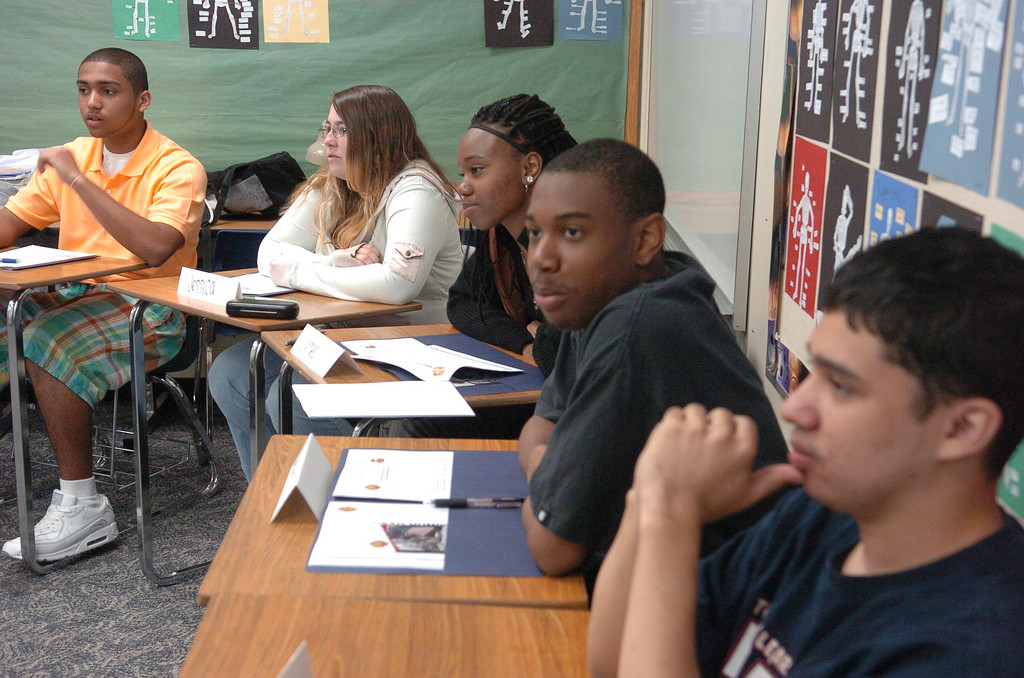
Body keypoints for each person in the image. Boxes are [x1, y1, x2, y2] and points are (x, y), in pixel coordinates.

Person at [587, 227, 1024, 677]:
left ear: (962, 428)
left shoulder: (974, 651)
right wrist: (651, 495)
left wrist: (671, 516)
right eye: (813, 371)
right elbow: (612, 661)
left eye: (840, 385)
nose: (795, 408)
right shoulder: (819, 518)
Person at [518, 139, 788, 588]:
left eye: (572, 233)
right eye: (534, 233)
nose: (541, 258)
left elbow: (553, 547)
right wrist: (550, 468)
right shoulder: (602, 294)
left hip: (731, 612)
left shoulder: (642, 323)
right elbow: (541, 426)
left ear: (645, 239)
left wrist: (543, 471)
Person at [0, 48, 206, 561]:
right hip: (79, 294)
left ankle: (84, 505)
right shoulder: (77, 153)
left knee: (48, 339)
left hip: (150, 310)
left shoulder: (177, 166)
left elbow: (156, 246)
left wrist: (75, 179)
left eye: (108, 91)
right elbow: (10, 225)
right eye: (83, 89)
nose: (92, 103)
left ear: (142, 100)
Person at [208, 85, 463, 480]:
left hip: (412, 347)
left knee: (290, 396)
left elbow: (397, 285)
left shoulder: (417, 187)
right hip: (341, 337)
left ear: (377, 136)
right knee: (230, 373)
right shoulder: (333, 183)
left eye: (341, 130)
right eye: (326, 128)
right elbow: (268, 254)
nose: (327, 140)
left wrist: (300, 271)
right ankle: (275, 500)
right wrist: (338, 264)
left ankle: (350, 500)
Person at [390, 93, 576, 439]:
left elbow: (563, 357)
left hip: (580, 416)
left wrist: (544, 339)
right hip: (543, 396)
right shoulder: (501, 238)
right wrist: (524, 339)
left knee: (417, 423)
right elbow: (462, 304)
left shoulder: (575, 245)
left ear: (529, 168)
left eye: (477, 171)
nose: (462, 187)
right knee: (415, 416)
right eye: (463, 173)